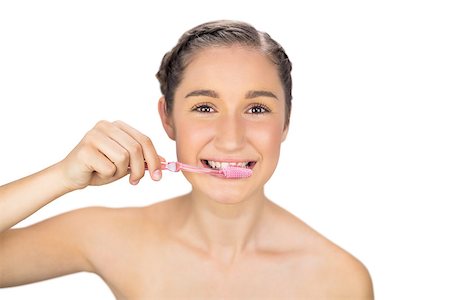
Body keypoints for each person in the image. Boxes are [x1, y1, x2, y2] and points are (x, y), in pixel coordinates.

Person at [0, 20, 374, 299]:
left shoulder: (339, 280)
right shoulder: (109, 237)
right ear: (168, 118)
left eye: (257, 108)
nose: (231, 138)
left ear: (286, 123)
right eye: (205, 107)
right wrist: (63, 177)